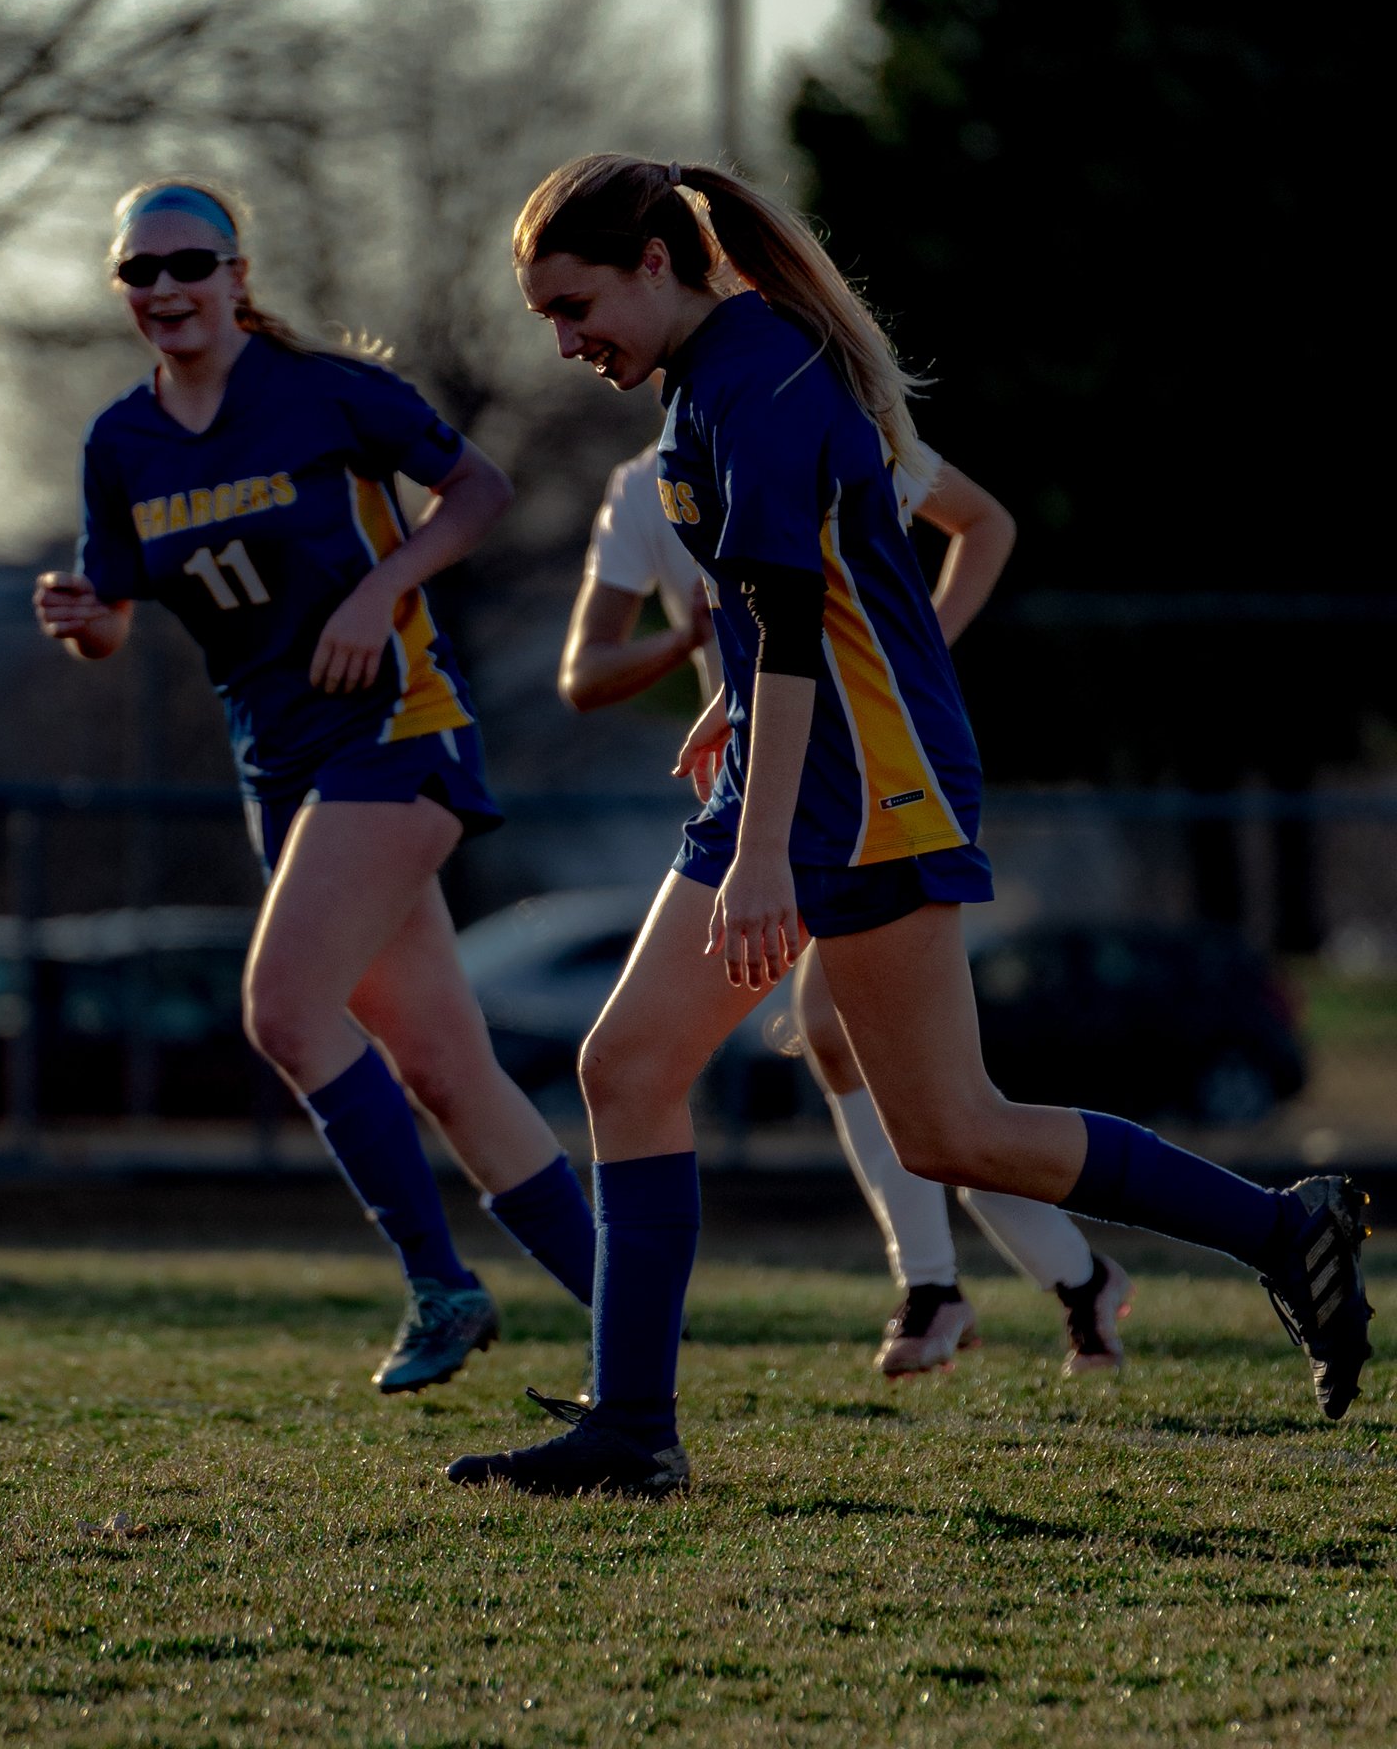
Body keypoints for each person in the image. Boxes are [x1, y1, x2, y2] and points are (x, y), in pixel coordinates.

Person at [446, 154, 1371, 1500]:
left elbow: (799, 631)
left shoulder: (760, 379)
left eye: (572, 306)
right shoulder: (708, 376)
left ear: (654, 262)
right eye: (545, 317)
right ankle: (633, 1430)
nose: (563, 342)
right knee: (632, 1069)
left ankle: (1283, 1231)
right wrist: (735, 722)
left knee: (946, 1127)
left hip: (869, 787)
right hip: (799, 766)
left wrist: (763, 848)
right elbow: (792, 613)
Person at [34, 179, 596, 1394]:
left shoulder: (326, 390)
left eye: (190, 262)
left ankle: (441, 1287)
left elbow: (480, 490)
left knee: (286, 1013)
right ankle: (630, 1308)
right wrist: (81, 618)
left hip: (394, 732)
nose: (166, 287)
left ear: (237, 274)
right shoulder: (119, 442)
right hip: (278, 769)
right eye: (139, 271)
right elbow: (113, 622)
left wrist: (379, 590)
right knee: (443, 1066)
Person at [562, 416, 1132, 1379]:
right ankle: (1057, 1280)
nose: (579, 348)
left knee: (889, 1068)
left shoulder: (819, 425)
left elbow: (984, 522)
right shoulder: (646, 484)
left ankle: (962, 1284)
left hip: (868, 791)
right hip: (756, 813)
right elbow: (584, 673)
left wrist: (919, 651)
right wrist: (692, 642)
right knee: (888, 1078)